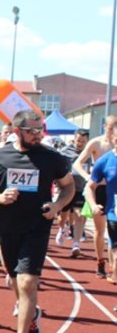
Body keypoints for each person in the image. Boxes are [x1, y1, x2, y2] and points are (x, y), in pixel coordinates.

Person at [0, 109, 74, 333]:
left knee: (28, 282)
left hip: (37, 228)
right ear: (17, 131)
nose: (37, 135)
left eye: (40, 130)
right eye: (32, 131)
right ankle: (31, 317)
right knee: (15, 282)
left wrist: (57, 206)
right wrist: (0, 197)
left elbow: (69, 187)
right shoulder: (0, 156)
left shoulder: (51, 157)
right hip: (7, 229)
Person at [73, 118, 115, 278]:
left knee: (113, 228)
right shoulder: (96, 143)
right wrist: (88, 178)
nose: (112, 133)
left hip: (114, 190)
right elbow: (77, 163)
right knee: (100, 229)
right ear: (105, 127)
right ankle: (100, 261)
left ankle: (113, 264)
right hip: (99, 190)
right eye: (110, 129)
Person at [86, 121, 117, 284]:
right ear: (114, 139)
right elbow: (89, 187)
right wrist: (93, 204)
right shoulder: (105, 161)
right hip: (114, 212)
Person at [55, 128, 89, 258]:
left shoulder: (88, 153)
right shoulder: (64, 152)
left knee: (79, 215)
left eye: (83, 141)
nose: (80, 144)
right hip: (66, 188)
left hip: (81, 189)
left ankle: (76, 244)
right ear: (74, 139)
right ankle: (62, 228)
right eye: (78, 140)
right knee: (62, 216)